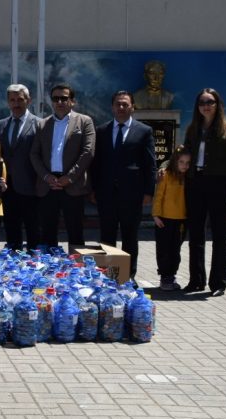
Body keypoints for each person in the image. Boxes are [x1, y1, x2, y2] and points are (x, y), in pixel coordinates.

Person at [183, 89, 226, 297]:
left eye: (210, 102)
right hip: (196, 184)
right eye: (202, 102)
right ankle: (196, 280)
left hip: (220, 185)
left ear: (218, 105)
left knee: (220, 235)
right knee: (196, 235)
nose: (206, 106)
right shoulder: (193, 129)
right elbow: (183, 155)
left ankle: (218, 282)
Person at [90, 90, 156, 278]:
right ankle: (108, 275)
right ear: (112, 107)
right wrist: (94, 188)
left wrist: (148, 191)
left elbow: (150, 164)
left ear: (132, 107)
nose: (121, 107)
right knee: (107, 237)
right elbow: (96, 163)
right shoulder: (102, 130)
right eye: (118, 104)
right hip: (106, 194)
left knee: (130, 237)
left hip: (132, 194)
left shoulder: (144, 131)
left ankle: (128, 276)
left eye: (125, 104)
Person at [30, 84, 95, 251]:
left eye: (64, 98)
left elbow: (88, 152)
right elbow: (34, 154)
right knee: (47, 232)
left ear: (72, 101)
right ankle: (50, 271)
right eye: (55, 98)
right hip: (48, 185)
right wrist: (46, 176)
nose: (59, 102)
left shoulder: (84, 122)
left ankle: (77, 272)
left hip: (73, 185)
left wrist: (70, 177)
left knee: (75, 233)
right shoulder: (42, 124)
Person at [0, 84, 43, 250]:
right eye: (12, 100)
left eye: (20, 99)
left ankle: (34, 262)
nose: (16, 103)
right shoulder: (1, 124)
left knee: (33, 228)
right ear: (8, 102)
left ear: (28, 101)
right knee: (11, 226)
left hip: (31, 184)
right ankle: (13, 261)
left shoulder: (39, 124)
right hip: (7, 185)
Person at [153, 147, 191, 292]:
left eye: (187, 163)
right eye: (181, 162)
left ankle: (171, 275)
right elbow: (159, 196)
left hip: (181, 219)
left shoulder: (189, 177)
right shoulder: (166, 175)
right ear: (174, 161)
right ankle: (164, 277)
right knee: (164, 249)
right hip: (164, 219)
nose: (184, 165)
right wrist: (156, 215)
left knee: (176, 250)